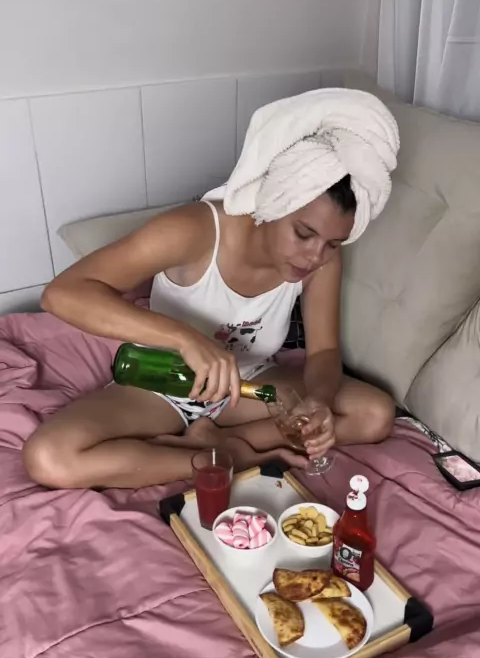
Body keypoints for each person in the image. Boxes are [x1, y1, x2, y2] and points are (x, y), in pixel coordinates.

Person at [23, 88, 400, 490]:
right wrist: (185, 339)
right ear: (274, 202)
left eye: (333, 244)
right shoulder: (194, 230)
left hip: (250, 388)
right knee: (49, 457)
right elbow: (62, 294)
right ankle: (217, 458)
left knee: (374, 413)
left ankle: (224, 443)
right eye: (304, 234)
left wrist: (319, 401)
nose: (314, 256)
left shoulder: (321, 260)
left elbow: (323, 353)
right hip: (164, 385)